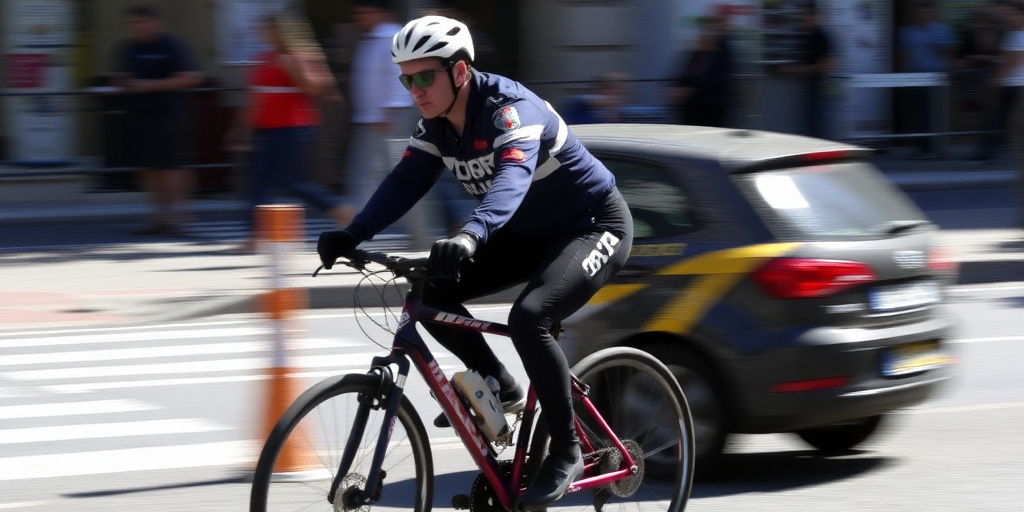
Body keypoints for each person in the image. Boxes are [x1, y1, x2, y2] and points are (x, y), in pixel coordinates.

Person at [316, 15, 634, 509]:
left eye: (425, 76)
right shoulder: (438, 126)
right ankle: (500, 384)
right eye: (406, 78)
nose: (414, 88)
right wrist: (354, 232)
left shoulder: (511, 111)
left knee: (530, 318)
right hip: (526, 234)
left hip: (593, 226)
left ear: (460, 72)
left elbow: (511, 178)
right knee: (433, 290)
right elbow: (405, 181)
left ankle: (567, 451)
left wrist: (470, 234)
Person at [224, 13, 349, 253]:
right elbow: (254, 97)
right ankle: (338, 209)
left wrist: (294, 69)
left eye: (267, 28)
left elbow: (315, 88)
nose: (262, 32)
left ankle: (256, 237)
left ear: (281, 32)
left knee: (267, 181)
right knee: (283, 180)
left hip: (293, 126)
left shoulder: (298, 57)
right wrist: (240, 129)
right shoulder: (263, 58)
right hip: (267, 128)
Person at [111, 4, 202, 236]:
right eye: (132, 23)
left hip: (168, 114)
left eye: (140, 22)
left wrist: (151, 85)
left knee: (172, 166)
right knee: (148, 168)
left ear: (155, 22)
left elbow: (191, 77)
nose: (136, 27)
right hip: (139, 114)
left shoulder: (171, 45)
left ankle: (181, 217)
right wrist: (122, 83)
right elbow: (122, 75)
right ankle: (159, 217)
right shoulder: (129, 47)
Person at [338, 0, 420, 240]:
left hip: (389, 120)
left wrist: (390, 110)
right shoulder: (372, 39)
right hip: (372, 120)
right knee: (368, 178)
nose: (361, 17)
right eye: (358, 12)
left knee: (400, 180)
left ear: (383, 13)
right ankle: (353, 232)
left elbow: (399, 75)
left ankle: (419, 235)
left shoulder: (391, 39)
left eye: (366, 11)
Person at [897, 0, 956, 159]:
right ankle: (921, 147)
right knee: (918, 113)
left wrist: (941, 46)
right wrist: (901, 76)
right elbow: (903, 54)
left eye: (926, 13)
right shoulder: (907, 32)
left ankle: (937, 147)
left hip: (936, 78)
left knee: (936, 114)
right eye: (920, 13)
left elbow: (952, 50)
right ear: (915, 14)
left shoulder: (941, 29)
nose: (923, 16)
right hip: (915, 77)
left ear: (932, 13)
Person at [668, 14, 734, 127]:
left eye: (703, 35)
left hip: (711, 108)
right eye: (700, 34)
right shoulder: (695, 54)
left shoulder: (722, 55)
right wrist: (674, 89)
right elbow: (682, 74)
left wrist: (691, 90)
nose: (699, 37)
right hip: (690, 111)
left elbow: (717, 79)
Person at [781, 3, 836, 139]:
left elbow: (827, 64)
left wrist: (797, 70)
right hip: (812, 86)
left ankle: (823, 154)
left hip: (819, 88)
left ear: (815, 16)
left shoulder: (821, 36)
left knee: (818, 125)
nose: (804, 19)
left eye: (807, 15)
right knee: (812, 124)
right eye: (803, 16)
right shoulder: (811, 35)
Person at [560, 71, 630, 125]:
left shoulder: (614, 113)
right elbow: (587, 101)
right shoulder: (578, 102)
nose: (619, 94)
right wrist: (611, 103)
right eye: (615, 89)